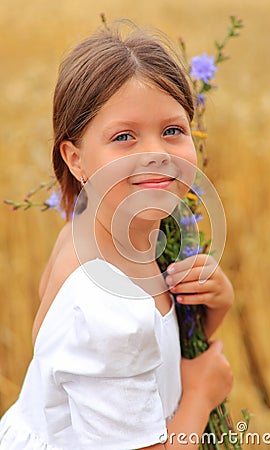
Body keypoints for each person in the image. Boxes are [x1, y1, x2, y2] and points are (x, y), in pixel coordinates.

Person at [0, 21, 234, 449]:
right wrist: (200, 397)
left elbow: (147, 351)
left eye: (172, 130)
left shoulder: (97, 227)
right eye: (124, 137)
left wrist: (213, 309)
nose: (157, 154)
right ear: (75, 159)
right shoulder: (103, 303)